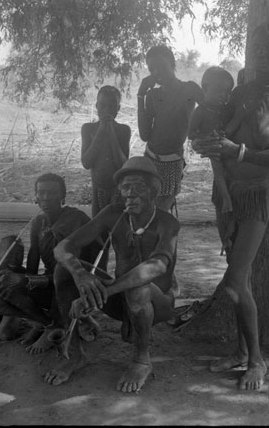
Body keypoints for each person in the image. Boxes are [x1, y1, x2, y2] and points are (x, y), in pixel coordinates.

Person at [191, 23, 269, 390]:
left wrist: (242, 153)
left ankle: (258, 361)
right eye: (256, 46)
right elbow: (217, 137)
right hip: (227, 191)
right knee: (238, 275)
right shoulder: (239, 91)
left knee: (235, 279)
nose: (262, 52)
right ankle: (241, 352)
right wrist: (206, 146)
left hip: (260, 190)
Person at [44, 156, 180, 393]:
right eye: (125, 187)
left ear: (154, 191)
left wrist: (103, 291)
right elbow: (62, 248)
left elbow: (156, 267)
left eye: (138, 187)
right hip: (119, 296)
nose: (130, 193)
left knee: (139, 286)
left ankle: (141, 360)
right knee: (62, 270)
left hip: (157, 304)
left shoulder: (167, 223)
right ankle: (74, 355)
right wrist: (81, 276)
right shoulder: (113, 213)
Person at [0, 173, 102, 353]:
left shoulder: (75, 219)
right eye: (41, 193)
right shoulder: (37, 223)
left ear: (62, 195)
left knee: (52, 280)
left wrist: (25, 281)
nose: (46, 197)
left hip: (71, 284)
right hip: (49, 282)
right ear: (36, 196)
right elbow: (31, 265)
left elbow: (71, 269)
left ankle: (60, 322)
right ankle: (48, 323)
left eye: (52, 193)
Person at [137, 44, 204, 213]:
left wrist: (197, 131)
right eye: (152, 69)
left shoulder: (190, 89)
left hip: (173, 161)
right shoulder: (152, 95)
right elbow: (145, 135)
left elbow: (209, 111)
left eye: (161, 66)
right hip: (151, 158)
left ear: (172, 63)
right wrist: (140, 95)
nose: (157, 72)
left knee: (160, 212)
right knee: (148, 208)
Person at [81, 85, 131, 271]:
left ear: (118, 108)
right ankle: (99, 274)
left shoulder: (123, 130)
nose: (107, 110)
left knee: (120, 237)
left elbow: (122, 164)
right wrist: (101, 132)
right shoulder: (88, 129)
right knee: (99, 237)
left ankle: (121, 277)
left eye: (112, 106)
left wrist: (110, 133)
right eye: (103, 106)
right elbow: (87, 162)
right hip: (98, 192)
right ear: (96, 106)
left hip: (118, 193)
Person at [188, 67, 235, 217]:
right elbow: (190, 134)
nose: (224, 96)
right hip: (212, 146)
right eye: (219, 91)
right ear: (205, 89)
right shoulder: (200, 111)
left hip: (228, 146)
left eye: (228, 92)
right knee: (218, 171)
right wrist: (203, 138)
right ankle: (226, 198)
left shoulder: (227, 109)